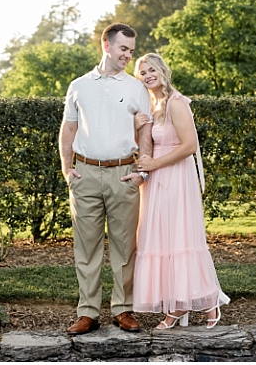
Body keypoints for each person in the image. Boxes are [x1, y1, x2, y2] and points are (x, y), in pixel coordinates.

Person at [60, 23, 154, 335]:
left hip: (123, 175)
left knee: (124, 247)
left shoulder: (136, 88)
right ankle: (87, 312)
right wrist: (66, 167)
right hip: (85, 174)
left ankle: (122, 309)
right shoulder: (79, 86)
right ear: (106, 46)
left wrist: (141, 173)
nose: (129, 55)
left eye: (131, 50)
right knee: (86, 247)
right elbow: (68, 129)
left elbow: (145, 132)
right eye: (123, 48)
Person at [131, 53, 230, 329]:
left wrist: (155, 164)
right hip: (155, 180)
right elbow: (145, 146)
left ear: (163, 71)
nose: (148, 75)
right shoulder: (150, 106)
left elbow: (189, 146)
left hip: (175, 177)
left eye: (152, 69)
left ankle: (210, 303)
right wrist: (136, 128)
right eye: (142, 72)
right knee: (160, 240)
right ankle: (175, 306)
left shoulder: (176, 102)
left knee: (180, 239)